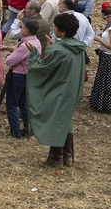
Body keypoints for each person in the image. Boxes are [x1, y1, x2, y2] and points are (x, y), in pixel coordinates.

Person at [28, 12, 86, 167]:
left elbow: (42, 68)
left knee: (56, 121)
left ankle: (56, 158)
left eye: (55, 27)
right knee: (65, 121)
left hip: (59, 91)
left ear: (63, 31)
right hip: (72, 90)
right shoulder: (79, 48)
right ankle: (68, 156)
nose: (53, 29)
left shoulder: (58, 50)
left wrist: (34, 53)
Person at [3, 17, 43, 138]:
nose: (20, 29)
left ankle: (16, 132)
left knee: (11, 104)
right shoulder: (37, 42)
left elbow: (10, 61)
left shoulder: (25, 45)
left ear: (27, 31)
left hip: (18, 76)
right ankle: (28, 127)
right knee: (23, 103)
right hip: (28, 76)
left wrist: (9, 55)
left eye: (22, 27)